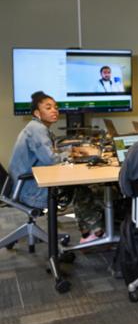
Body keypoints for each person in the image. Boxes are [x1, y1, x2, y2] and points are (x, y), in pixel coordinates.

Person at [8, 91, 105, 243]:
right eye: (48, 107)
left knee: (79, 185)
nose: (54, 110)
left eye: (56, 107)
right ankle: (93, 232)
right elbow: (50, 159)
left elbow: (48, 154)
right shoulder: (37, 129)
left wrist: (70, 151)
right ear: (37, 113)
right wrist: (71, 155)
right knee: (83, 187)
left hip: (25, 185)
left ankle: (88, 232)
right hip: (30, 190)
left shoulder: (37, 127)